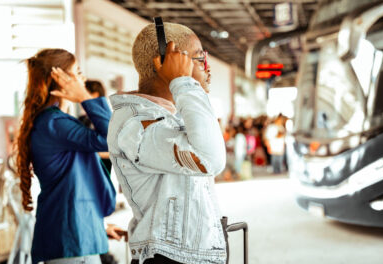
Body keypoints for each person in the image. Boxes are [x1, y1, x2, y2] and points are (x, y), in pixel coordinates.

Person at [107, 22, 227, 264]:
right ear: (167, 61)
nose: (208, 68)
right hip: (167, 259)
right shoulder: (136, 125)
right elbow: (211, 158)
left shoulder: (170, 117)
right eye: (200, 58)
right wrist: (183, 82)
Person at [15, 48, 124, 264]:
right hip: (73, 246)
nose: (81, 79)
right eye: (77, 72)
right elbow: (114, 139)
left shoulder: (53, 122)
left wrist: (97, 227)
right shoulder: (54, 123)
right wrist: (84, 97)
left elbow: (72, 187)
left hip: (74, 239)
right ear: (61, 80)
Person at [78, 80, 112, 173]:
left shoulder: (108, 119)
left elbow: (115, 150)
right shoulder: (82, 119)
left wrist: (93, 153)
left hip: (102, 169)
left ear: (95, 95)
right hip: (85, 169)